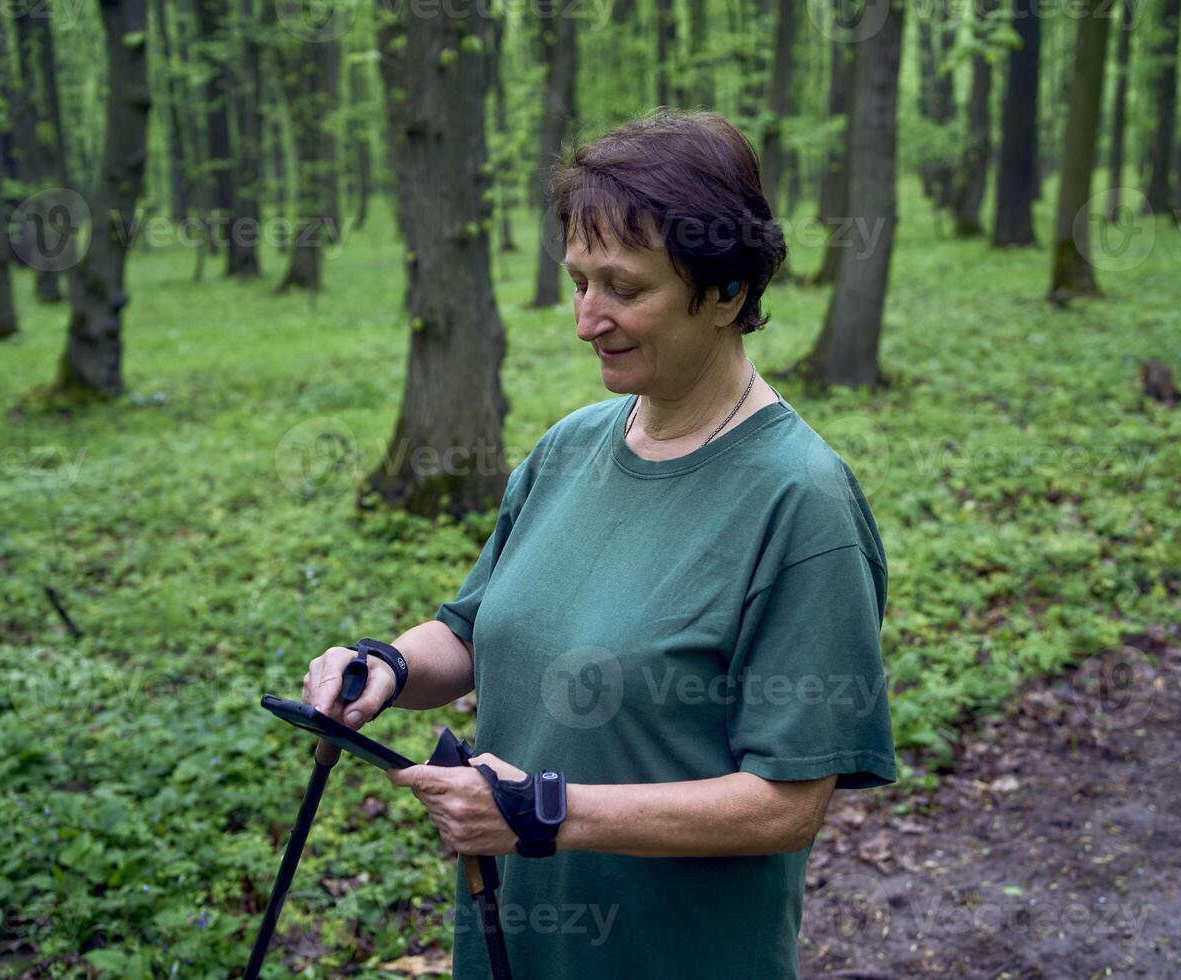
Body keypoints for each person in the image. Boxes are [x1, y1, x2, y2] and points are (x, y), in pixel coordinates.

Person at [301, 108, 896, 980]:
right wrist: (384, 666)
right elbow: (468, 635)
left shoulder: (800, 504)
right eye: (580, 280)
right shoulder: (570, 448)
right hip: (512, 944)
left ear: (727, 292)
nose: (587, 319)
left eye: (623, 287)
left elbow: (787, 805)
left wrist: (548, 812)